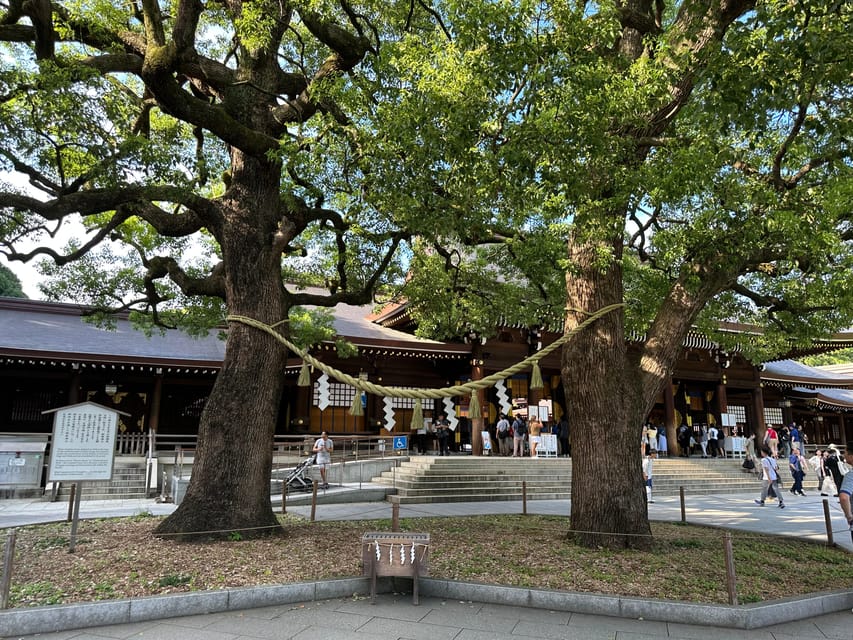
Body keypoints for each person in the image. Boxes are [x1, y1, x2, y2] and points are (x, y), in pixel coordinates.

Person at [838, 442, 853, 544]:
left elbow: (844, 497)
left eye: (845, 452)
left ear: (851, 456)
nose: (844, 455)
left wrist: (849, 516)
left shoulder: (850, 476)